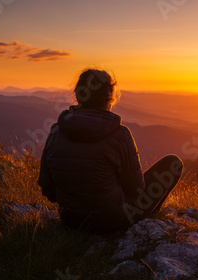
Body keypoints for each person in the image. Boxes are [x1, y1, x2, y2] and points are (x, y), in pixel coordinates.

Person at [37, 68, 183, 235]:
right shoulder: (120, 135)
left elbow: (47, 188)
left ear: (78, 95)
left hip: (70, 220)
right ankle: (146, 219)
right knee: (173, 164)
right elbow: (136, 191)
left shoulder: (56, 131)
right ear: (110, 98)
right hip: (112, 222)